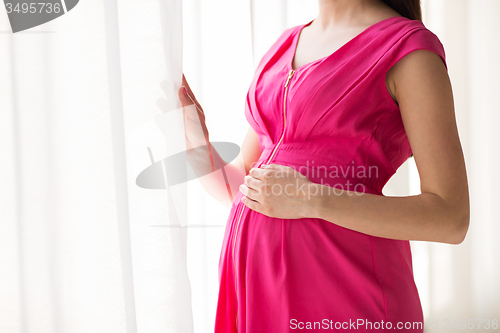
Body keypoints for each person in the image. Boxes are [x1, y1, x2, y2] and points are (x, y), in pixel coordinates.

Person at [173, 0, 470, 331]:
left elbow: (451, 217)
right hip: (260, 298)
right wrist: (196, 141)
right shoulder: (283, 45)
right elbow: (245, 185)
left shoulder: (409, 49)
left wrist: (312, 199)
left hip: (347, 298)